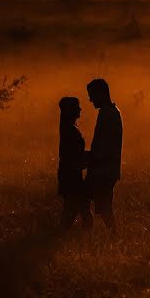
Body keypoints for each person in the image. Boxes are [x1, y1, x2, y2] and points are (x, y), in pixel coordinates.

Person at [85, 79, 123, 230]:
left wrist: (88, 158)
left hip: (103, 170)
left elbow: (105, 147)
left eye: (92, 95)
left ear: (101, 94)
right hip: (105, 169)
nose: (90, 99)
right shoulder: (109, 112)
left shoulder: (109, 115)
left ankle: (86, 235)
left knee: (91, 203)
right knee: (100, 206)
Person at [57, 96, 92, 229]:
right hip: (71, 175)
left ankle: (59, 238)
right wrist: (93, 157)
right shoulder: (71, 130)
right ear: (71, 110)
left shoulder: (69, 128)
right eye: (77, 106)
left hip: (69, 174)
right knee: (78, 209)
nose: (80, 109)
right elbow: (73, 156)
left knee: (76, 209)